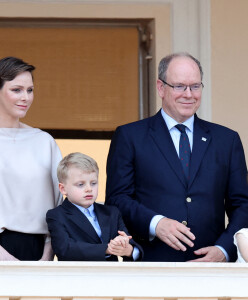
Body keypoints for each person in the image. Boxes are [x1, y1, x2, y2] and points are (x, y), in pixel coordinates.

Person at [105, 52, 248, 262]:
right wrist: (156, 224)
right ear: (160, 87)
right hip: (151, 265)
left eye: (195, 86)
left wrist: (224, 249)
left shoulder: (226, 140)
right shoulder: (130, 136)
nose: (188, 94)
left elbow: (242, 206)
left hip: (210, 270)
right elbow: (117, 199)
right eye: (179, 86)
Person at [0, 56, 63, 261]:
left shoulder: (44, 142)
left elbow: (60, 206)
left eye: (30, 90)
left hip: (38, 252)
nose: (25, 97)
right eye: (16, 90)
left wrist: (46, 257)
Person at [46, 152, 143, 261]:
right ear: (63, 189)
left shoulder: (111, 212)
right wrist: (107, 249)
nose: (89, 189)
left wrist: (128, 249)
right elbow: (65, 249)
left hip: (112, 276)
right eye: (80, 184)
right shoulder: (57, 215)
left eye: (93, 183)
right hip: (78, 276)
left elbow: (129, 242)